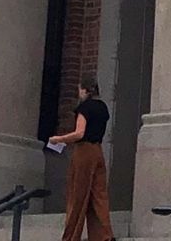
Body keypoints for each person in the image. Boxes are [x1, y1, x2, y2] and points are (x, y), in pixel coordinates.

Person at [50, 77, 114, 241]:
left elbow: (80, 133)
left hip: (84, 151)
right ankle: (104, 236)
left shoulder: (84, 108)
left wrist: (59, 139)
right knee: (99, 196)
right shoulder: (103, 108)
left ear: (85, 90)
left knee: (78, 195)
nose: (79, 93)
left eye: (80, 90)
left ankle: (71, 236)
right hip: (98, 151)